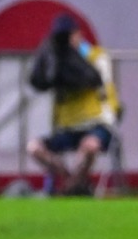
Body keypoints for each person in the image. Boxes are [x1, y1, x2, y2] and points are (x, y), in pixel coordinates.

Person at [27, 14, 121, 196]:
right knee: (34, 147)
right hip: (68, 127)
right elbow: (39, 82)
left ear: (79, 34)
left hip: (96, 123)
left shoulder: (96, 57)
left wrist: (70, 62)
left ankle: (72, 186)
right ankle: (73, 182)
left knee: (90, 146)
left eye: (68, 36)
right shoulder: (55, 59)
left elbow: (93, 79)